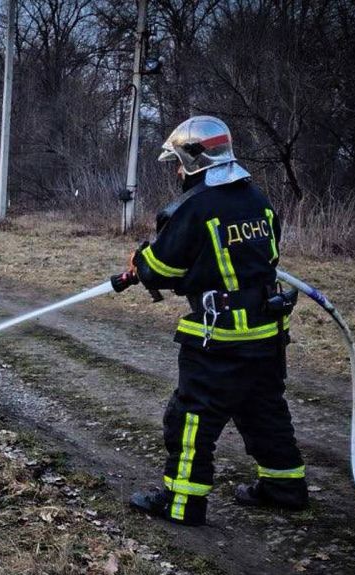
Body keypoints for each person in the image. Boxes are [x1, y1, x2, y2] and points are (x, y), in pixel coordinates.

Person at [120, 115, 308, 526]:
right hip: (267, 334)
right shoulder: (257, 199)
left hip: (219, 338)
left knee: (190, 418)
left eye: (178, 161)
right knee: (264, 410)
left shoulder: (197, 206)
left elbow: (163, 270)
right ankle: (285, 487)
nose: (176, 170)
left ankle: (182, 503)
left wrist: (140, 262)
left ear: (193, 159)